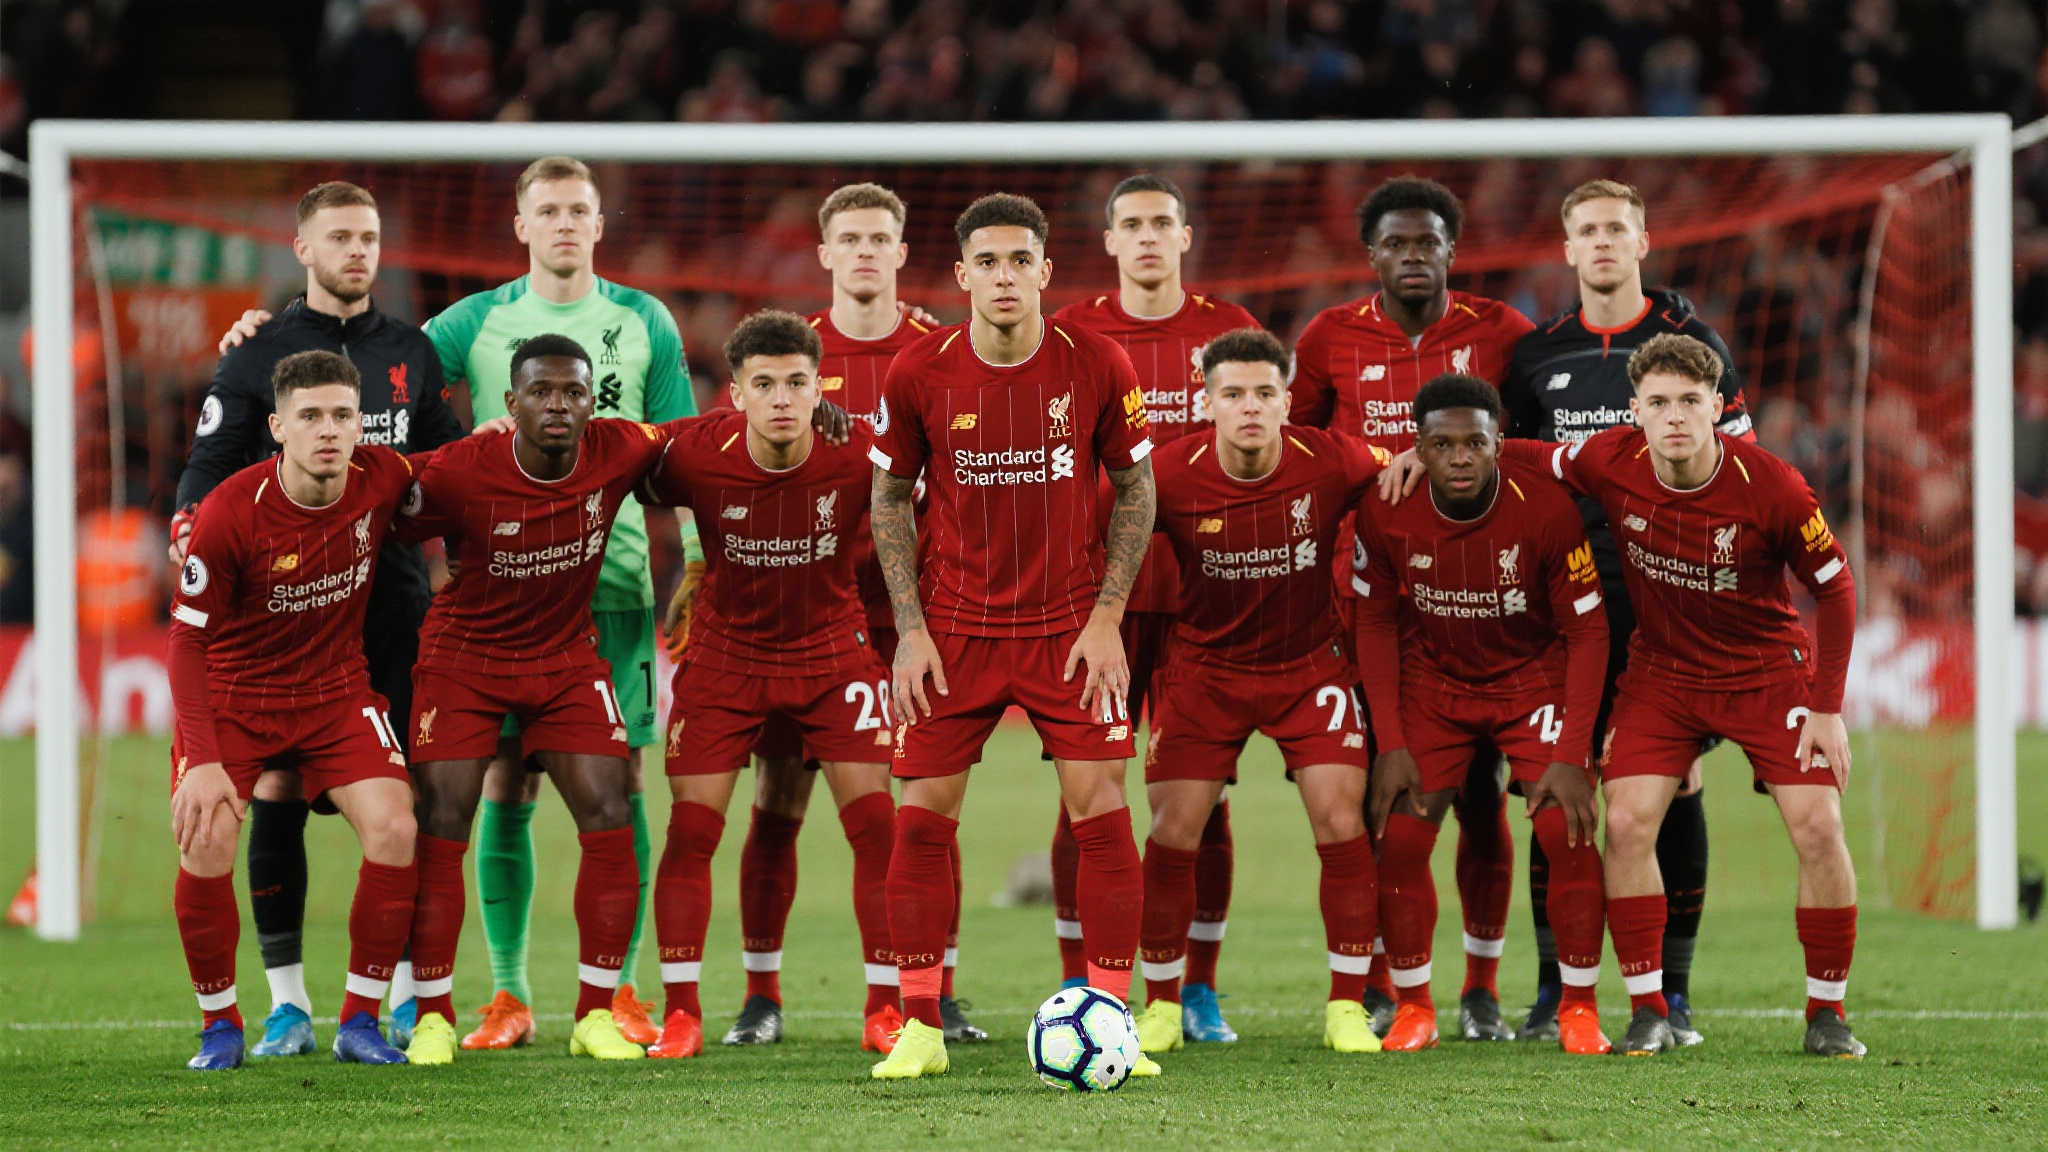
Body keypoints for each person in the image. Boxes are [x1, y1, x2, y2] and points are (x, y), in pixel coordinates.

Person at [676, 183, 983, 1047]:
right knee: (778, 799)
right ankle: (761, 996)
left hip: (917, 612)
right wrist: (700, 564)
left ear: (902, 252)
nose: (864, 253)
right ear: (825, 254)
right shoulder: (793, 355)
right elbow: (723, 468)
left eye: (879, 239)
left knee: (925, 804)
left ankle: (933, 989)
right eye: (849, 239)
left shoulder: (942, 349)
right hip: (808, 609)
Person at [866, 193, 1157, 1080]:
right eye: (987, 262)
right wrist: (909, 631)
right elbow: (887, 499)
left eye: (1019, 260)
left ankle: (1113, 1022)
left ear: (1045, 271)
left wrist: (1107, 617)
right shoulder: (918, 372)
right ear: (962, 275)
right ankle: (921, 1029)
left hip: (1070, 630)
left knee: (1102, 813)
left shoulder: (1096, 362)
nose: (1004, 277)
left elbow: (1137, 489)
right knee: (921, 820)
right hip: (953, 632)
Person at [1513, 333, 1860, 1058]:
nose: (1675, 417)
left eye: (1690, 402)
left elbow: (1836, 587)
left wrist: (1827, 708)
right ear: (1635, 410)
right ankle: (1650, 1010)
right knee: (1627, 821)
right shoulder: (1608, 458)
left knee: (1819, 826)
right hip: (1664, 677)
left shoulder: (1774, 486)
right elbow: (1529, 457)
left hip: (1765, 673)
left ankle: (1827, 1013)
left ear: (1718, 407)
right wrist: (1423, 455)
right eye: (1660, 403)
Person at [175, 181, 462, 1057]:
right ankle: (286, 1004)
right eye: (339, 237)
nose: (357, 251)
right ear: (302, 249)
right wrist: (188, 532)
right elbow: (208, 464)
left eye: (369, 237)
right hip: (271, 620)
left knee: (409, 806)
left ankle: (398, 1000)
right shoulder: (257, 350)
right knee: (274, 799)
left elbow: (445, 467)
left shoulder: (412, 348)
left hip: (388, 603)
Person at [421, 157, 696, 1050]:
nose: (566, 223)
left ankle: (618, 990)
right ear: (522, 225)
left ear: (600, 225)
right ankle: (508, 993)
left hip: (615, 591)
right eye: (549, 210)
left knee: (624, 783)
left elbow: (682, 454)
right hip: (505, 599)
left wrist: (698, 563)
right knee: (507, 780)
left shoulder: (644, 319)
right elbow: (389, 387)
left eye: (580, 209)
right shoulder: (474, 321)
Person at [1501, 178, 1753, 1045]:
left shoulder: (1692, 343)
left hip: (1667, 600)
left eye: (1618, 228)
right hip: (1562, 601)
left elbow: (1743, 468)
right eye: (1588, 230)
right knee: (1553, 784)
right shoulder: (1536, 356)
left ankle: (1672, 995)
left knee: (1675, 783)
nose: (1603, 242)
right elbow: (1507, 462)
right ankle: (1553, 990)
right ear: (1568, 248)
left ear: (1643, 242)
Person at [1289, 176, 1535, 1039]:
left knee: (1483, 799)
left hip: (1485, 603)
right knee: (1385, 797)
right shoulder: (1328, 337)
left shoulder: (1503, 333)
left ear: (1451, 250)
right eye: (1396, 243)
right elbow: (1303, 451)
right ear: (1371, 255)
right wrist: (1374, 463)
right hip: (1374, 601)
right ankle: (1387, 983)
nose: (1413, 256)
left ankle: (1481, 988)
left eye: (1427, 241)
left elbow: (1531, 443)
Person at [396, 334, 671, 1065]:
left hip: (563, 658)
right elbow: (380, 507)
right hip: (465, 661)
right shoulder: (461, 469)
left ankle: (595, 1014)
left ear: (591, 403)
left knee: (612, 809)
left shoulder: (618, 448)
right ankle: (432, 1016)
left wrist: (811, 416)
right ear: (509, 403)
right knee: (442, 820)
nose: (557, 405)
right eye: (540, 392)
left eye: (573, 392)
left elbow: (695, 439)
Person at [640, 310, 898, 1059]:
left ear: (819, 388)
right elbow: (611, 461)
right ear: (736, 394)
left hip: (832, 656)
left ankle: (886, 1009)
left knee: (878, 827)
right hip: (727, 659)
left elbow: (932, 494)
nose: (781, 398)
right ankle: (683, 1015)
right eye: (764, 385)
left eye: (795, 383)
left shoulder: (860, 452)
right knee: (694, 830)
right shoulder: (693, 451)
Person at [167, 350, 423, 1070]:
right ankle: (220, 1025)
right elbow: (184, 641)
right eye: (310, 416)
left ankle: (360, 1021)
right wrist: (202, 760)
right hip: (237, 698)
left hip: (335, 693)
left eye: (342, 415)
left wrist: (498, 438)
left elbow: (451, 470)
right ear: (278, 427)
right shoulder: (230, 512)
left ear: (361, 423)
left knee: (397, 827)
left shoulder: (382, 476)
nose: (329, 430)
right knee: (207, 838)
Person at [1050, 174, 1260, 1041]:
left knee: (1202, 800)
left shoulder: (1229, 329)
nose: (1146, 236)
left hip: (1205, 603)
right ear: (1108, 240)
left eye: (1160, 223)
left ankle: (1195, 988)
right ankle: (1078, 986)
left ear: (1184, 237)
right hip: (1098, 601)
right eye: (1130, 223)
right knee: (1082, 793)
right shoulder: (1073, 334)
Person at [1135, 329, 1384, 1056]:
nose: (1250, 407)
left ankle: (1346, 1008)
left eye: (1264, 393)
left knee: (1341, 820)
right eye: (1234, 394)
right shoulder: (1166, 473)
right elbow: (1099, 528)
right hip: (1204, 671)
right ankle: (1161, 1006)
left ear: (1287, 400)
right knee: (1174, 829)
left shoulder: (1332, 458)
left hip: (1308, 670)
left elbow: (1402, 469)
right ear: (1206, 402)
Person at [1353, 373, 1612, 1056]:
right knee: (1401, 836)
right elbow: (1373, 622)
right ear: (1418, 449)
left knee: (1566, 829)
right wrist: (1390, 740)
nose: (1460, 457)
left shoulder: (1547, 508)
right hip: (1434, 684)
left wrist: (1572, 753)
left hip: (1530, 682)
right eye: (1443, 445)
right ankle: (1415, 1008)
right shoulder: (1386, 509)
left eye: (1475, 442)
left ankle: (1579, 1008)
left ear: (1500, 441)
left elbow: (1588, 632)